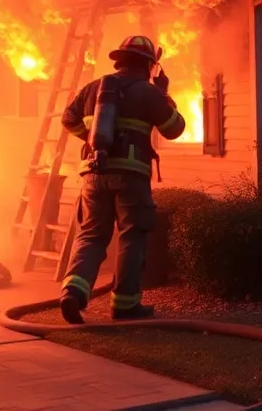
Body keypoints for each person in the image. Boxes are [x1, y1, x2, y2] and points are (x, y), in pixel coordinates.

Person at [57, 34, 187, 323]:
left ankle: (73, 294)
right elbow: (175, 128)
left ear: (120, 60)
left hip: (93, 174)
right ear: (149, 65)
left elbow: (68, 118)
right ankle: (125, 304)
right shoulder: (148, 92)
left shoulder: (93, 88)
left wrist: (93, 140)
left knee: (91, 235)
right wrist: (164, 94)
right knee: (132, 235)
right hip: (131, 176)